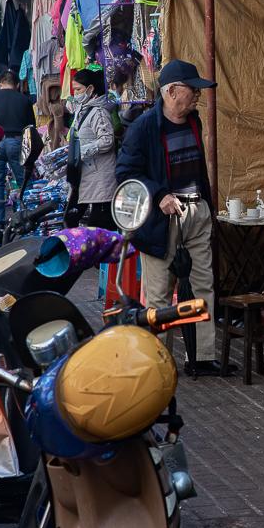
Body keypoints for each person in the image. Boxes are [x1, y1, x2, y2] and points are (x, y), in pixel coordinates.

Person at [115, 59, 221, 376]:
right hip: (162, 219)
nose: (198, 96)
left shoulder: (194, 121)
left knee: (204, 285)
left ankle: (201, 357)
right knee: (159, 293)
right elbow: (125, 173)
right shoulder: (144, 127)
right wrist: (159, 194)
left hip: (195, 210)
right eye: (193, 90)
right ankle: (157, 360)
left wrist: (205, 205)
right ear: (172, 91)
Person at [65, 68, 118, 230]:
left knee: (100, 228)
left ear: (90, 89)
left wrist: (82, 151)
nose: (76, 94)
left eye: (79, 89)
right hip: (90, 176)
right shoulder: (85, 109)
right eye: (74, 90)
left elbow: (107, 140)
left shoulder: (99, 112)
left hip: (101, 179)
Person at [0, 71, 36, 226]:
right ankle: (26, 216)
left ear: (0, 83)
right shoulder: (24, 99)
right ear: (17, 85)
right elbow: (30, 128)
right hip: (16, 141)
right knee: (24, 181)